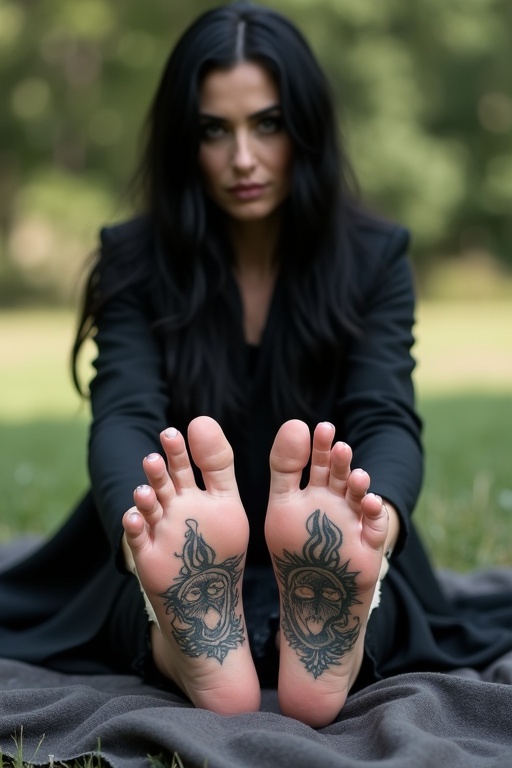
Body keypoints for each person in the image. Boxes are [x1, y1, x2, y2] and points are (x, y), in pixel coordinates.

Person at [1, 0, 511, 729]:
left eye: (266, 124)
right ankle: (178, 631)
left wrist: (377, 526)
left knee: (375, 594)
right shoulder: (137, 259)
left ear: (305, 127)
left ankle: (340, 617)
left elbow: (385, 414)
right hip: (178, 520)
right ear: (186, 141)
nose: (243, 157)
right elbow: (124, 417)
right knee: (135, 591)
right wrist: (142, 529)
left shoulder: (374, 258)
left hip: (326, 510)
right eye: (215, 130)